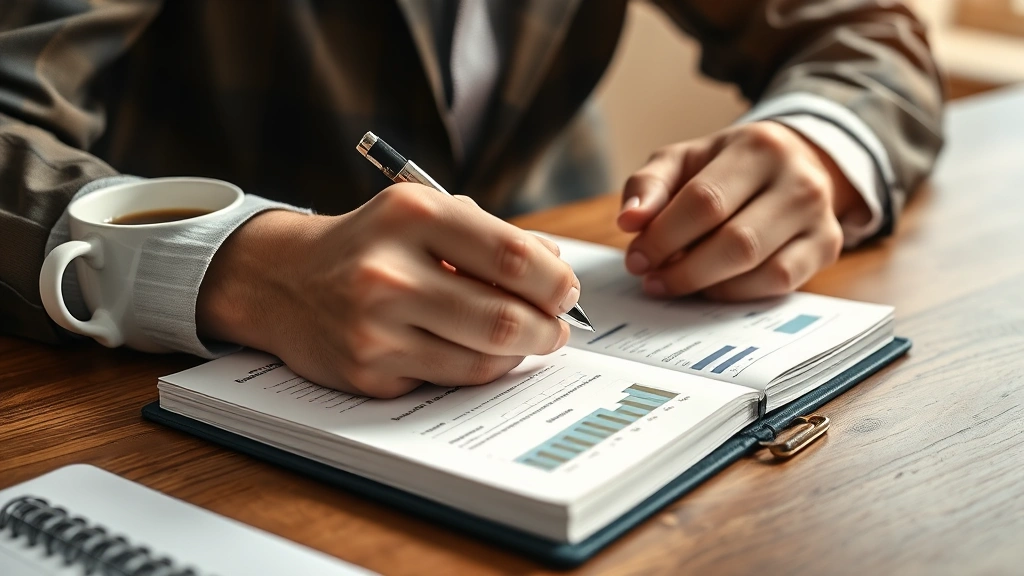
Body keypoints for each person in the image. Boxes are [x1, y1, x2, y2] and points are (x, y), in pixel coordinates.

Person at [0, 1, 943, 398]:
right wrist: (234, 261)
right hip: (143, 388)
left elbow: (862, 29)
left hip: (564, 289)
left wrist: (816, 148)